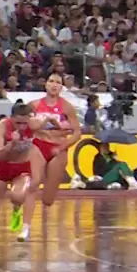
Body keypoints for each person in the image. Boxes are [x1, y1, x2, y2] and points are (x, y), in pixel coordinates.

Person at [0, 102, 43, 259]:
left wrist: (58, 123)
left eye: (25, 123)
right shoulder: (2, 126)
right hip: (1, 168)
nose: (22, 127)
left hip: (21, 168)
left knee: (18, 196)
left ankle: (16, 208)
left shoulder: (34, 123)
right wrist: (12, 144)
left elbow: (50, 120)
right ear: (11, 118)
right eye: (18, 123)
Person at [30, 72, 82, 223]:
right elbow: (24, 125)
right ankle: (23, 215)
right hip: (39, 145)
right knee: (33, 182)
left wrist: (63, 146)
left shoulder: (67, 107)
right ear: (45, 84)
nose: (54, 85)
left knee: (48, 199)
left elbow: (77, 132)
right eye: (51, 81)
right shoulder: (34, 105)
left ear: (61, 87)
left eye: (58, 83)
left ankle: (46, 221)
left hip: (57, 148)